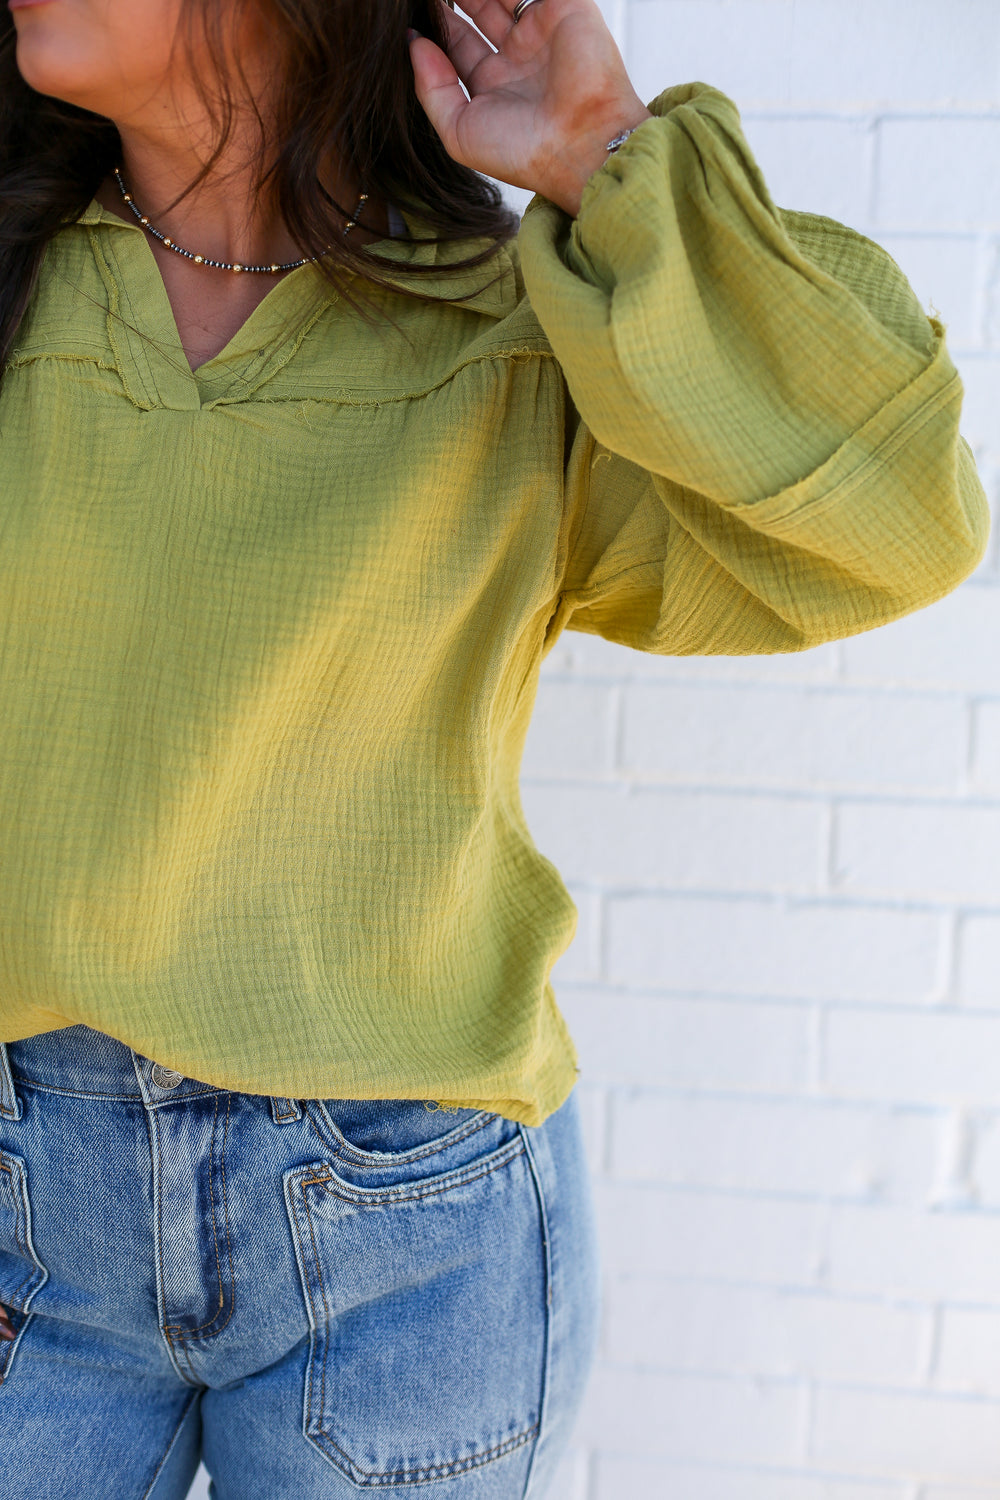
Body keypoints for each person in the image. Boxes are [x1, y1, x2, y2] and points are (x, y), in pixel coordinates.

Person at [0, 0, 988, 1493]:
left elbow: (899, 517)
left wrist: (604, 160)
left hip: (405, 1237)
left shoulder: (520, 324)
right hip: (25, 1207)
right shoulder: (24, 282)